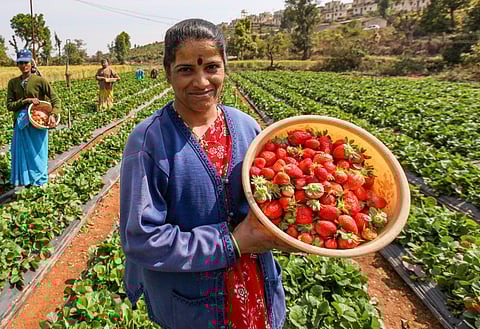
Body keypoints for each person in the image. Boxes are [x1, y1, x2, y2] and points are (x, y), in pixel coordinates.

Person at [120, 18, 290, 329]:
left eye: (211, 67)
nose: (201, 81)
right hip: (193, 304)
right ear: (168, 73)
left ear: (225, 67)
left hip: (255, 287)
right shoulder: (149, 141)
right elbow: (142, 239)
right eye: (186, 70)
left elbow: (267, 202)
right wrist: (231, 243)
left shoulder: (246, 126)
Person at [6, 49, 61, 186]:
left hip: (38, 122)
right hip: (21, 123)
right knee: (22, 153)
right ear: (17, 65)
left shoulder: (40, 81)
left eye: (26, 62)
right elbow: (10, 105)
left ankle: (40, 182)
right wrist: (26, 101)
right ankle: (25, 181)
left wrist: (53, 115)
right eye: (21, 63)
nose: (24, 65)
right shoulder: (13, 83)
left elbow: (56, 100)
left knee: (38, 153)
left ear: (31, 64)